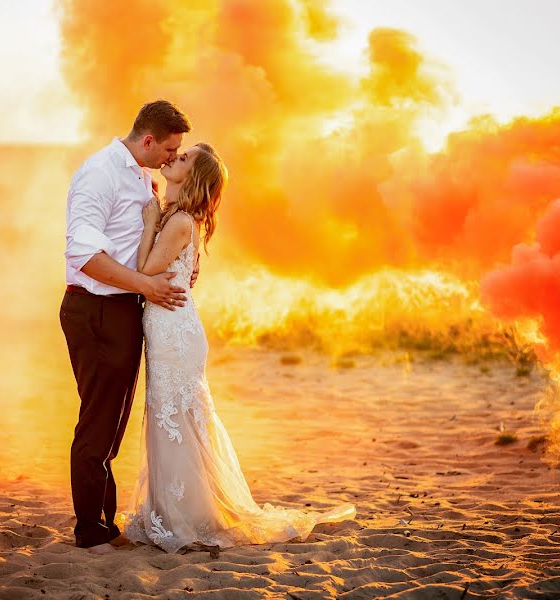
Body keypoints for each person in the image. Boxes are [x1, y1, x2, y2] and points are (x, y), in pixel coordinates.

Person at [120, 142, 356, 553]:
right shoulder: (179, 218)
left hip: (174, 332)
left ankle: (187, 518)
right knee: (172, 418)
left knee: (173, 418)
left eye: (185, 157)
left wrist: (148, 221)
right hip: (169, 327)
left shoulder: (176, 221)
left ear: (193, 177)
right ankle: (180, 512)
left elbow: (143, 272)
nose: (175, 157)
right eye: (180, 152)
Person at [60, 100, 198, 555]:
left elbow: (143, 239)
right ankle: (89, 530)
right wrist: (147, 285)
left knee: (112, 423)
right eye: (170, 149)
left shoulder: (141, 174)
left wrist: (178, 270)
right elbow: (83, 255)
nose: (172, 158)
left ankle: (103, 519)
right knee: (98, 422)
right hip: (96, 310)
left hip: (123, 310)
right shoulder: (100, 173)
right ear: (148, 140)